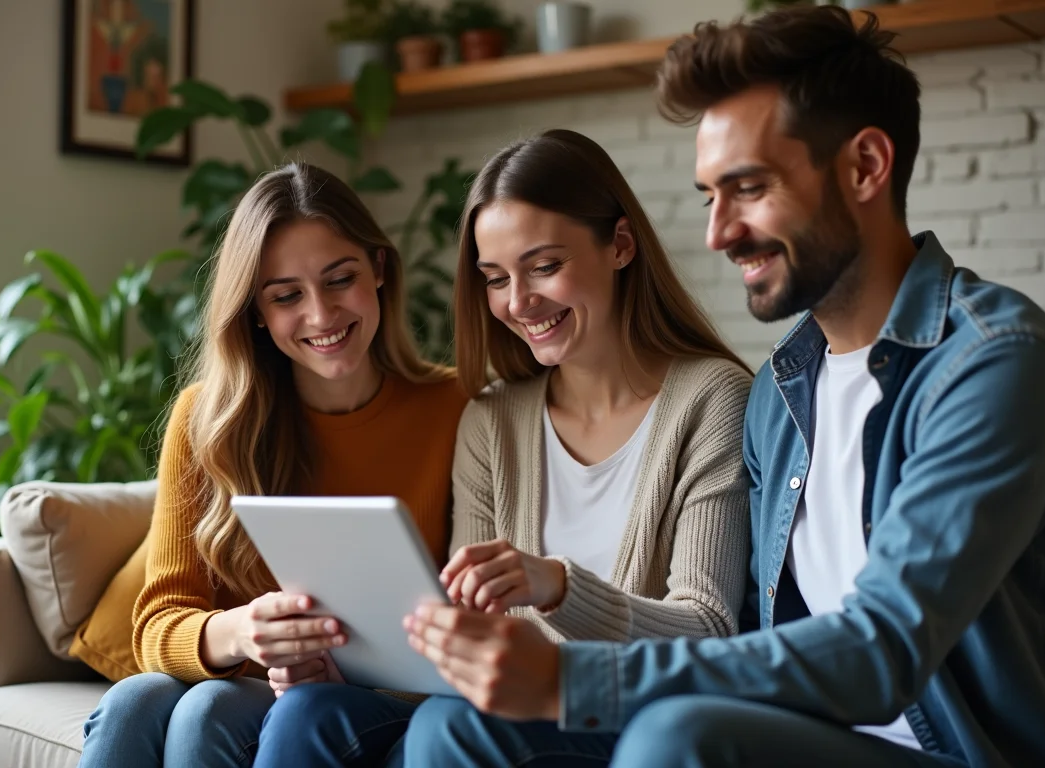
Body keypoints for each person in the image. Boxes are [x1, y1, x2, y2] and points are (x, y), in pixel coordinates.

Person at [400, 6, 1045, 767]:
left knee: (676, 737)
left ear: (864, 167)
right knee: (457, 727)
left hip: (962, 753)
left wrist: (573, 676)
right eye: (709, 197)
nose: (718, 233)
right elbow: (751, 635)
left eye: (748, 188)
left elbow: (881, 649)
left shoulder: (994, 367)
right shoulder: (785, 390)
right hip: (809, 737)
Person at [257, 128, 754, 766]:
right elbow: (466, 635)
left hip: (623, 713)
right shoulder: (492, 420)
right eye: (495, 279)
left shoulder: (711, 399)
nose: (519, 303)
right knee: (309, 712)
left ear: (620, 245)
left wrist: (557, 586)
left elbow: (710, 629)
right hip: (485, 708)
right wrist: (349, 671)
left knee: (450, 727)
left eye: (544, 267)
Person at [76, 163, 468, 768]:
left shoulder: (458, 407)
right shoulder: (207, 418)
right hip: (251, 682)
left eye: (340, 279)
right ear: (256, 310)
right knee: (135, 700)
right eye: (286, 296)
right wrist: (243, 632)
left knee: (206, 712)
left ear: (380, 270)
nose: (321, 315)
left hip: (375, 702)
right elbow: (156, 625)